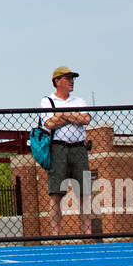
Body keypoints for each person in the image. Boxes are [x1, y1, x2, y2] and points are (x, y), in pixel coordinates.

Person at [43, 67, 93, 237]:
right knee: (55, 194)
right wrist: (73, 117)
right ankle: (56, 237)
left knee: (84, 193)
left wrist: (63, 114)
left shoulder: (79, 100)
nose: (72, 81)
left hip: (79, 148)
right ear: (57, 81)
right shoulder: (47, 101)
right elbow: (49, 124)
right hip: (58, 148)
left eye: (73, 78)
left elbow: (85, 119)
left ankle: (87, 235)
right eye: (68, 78)